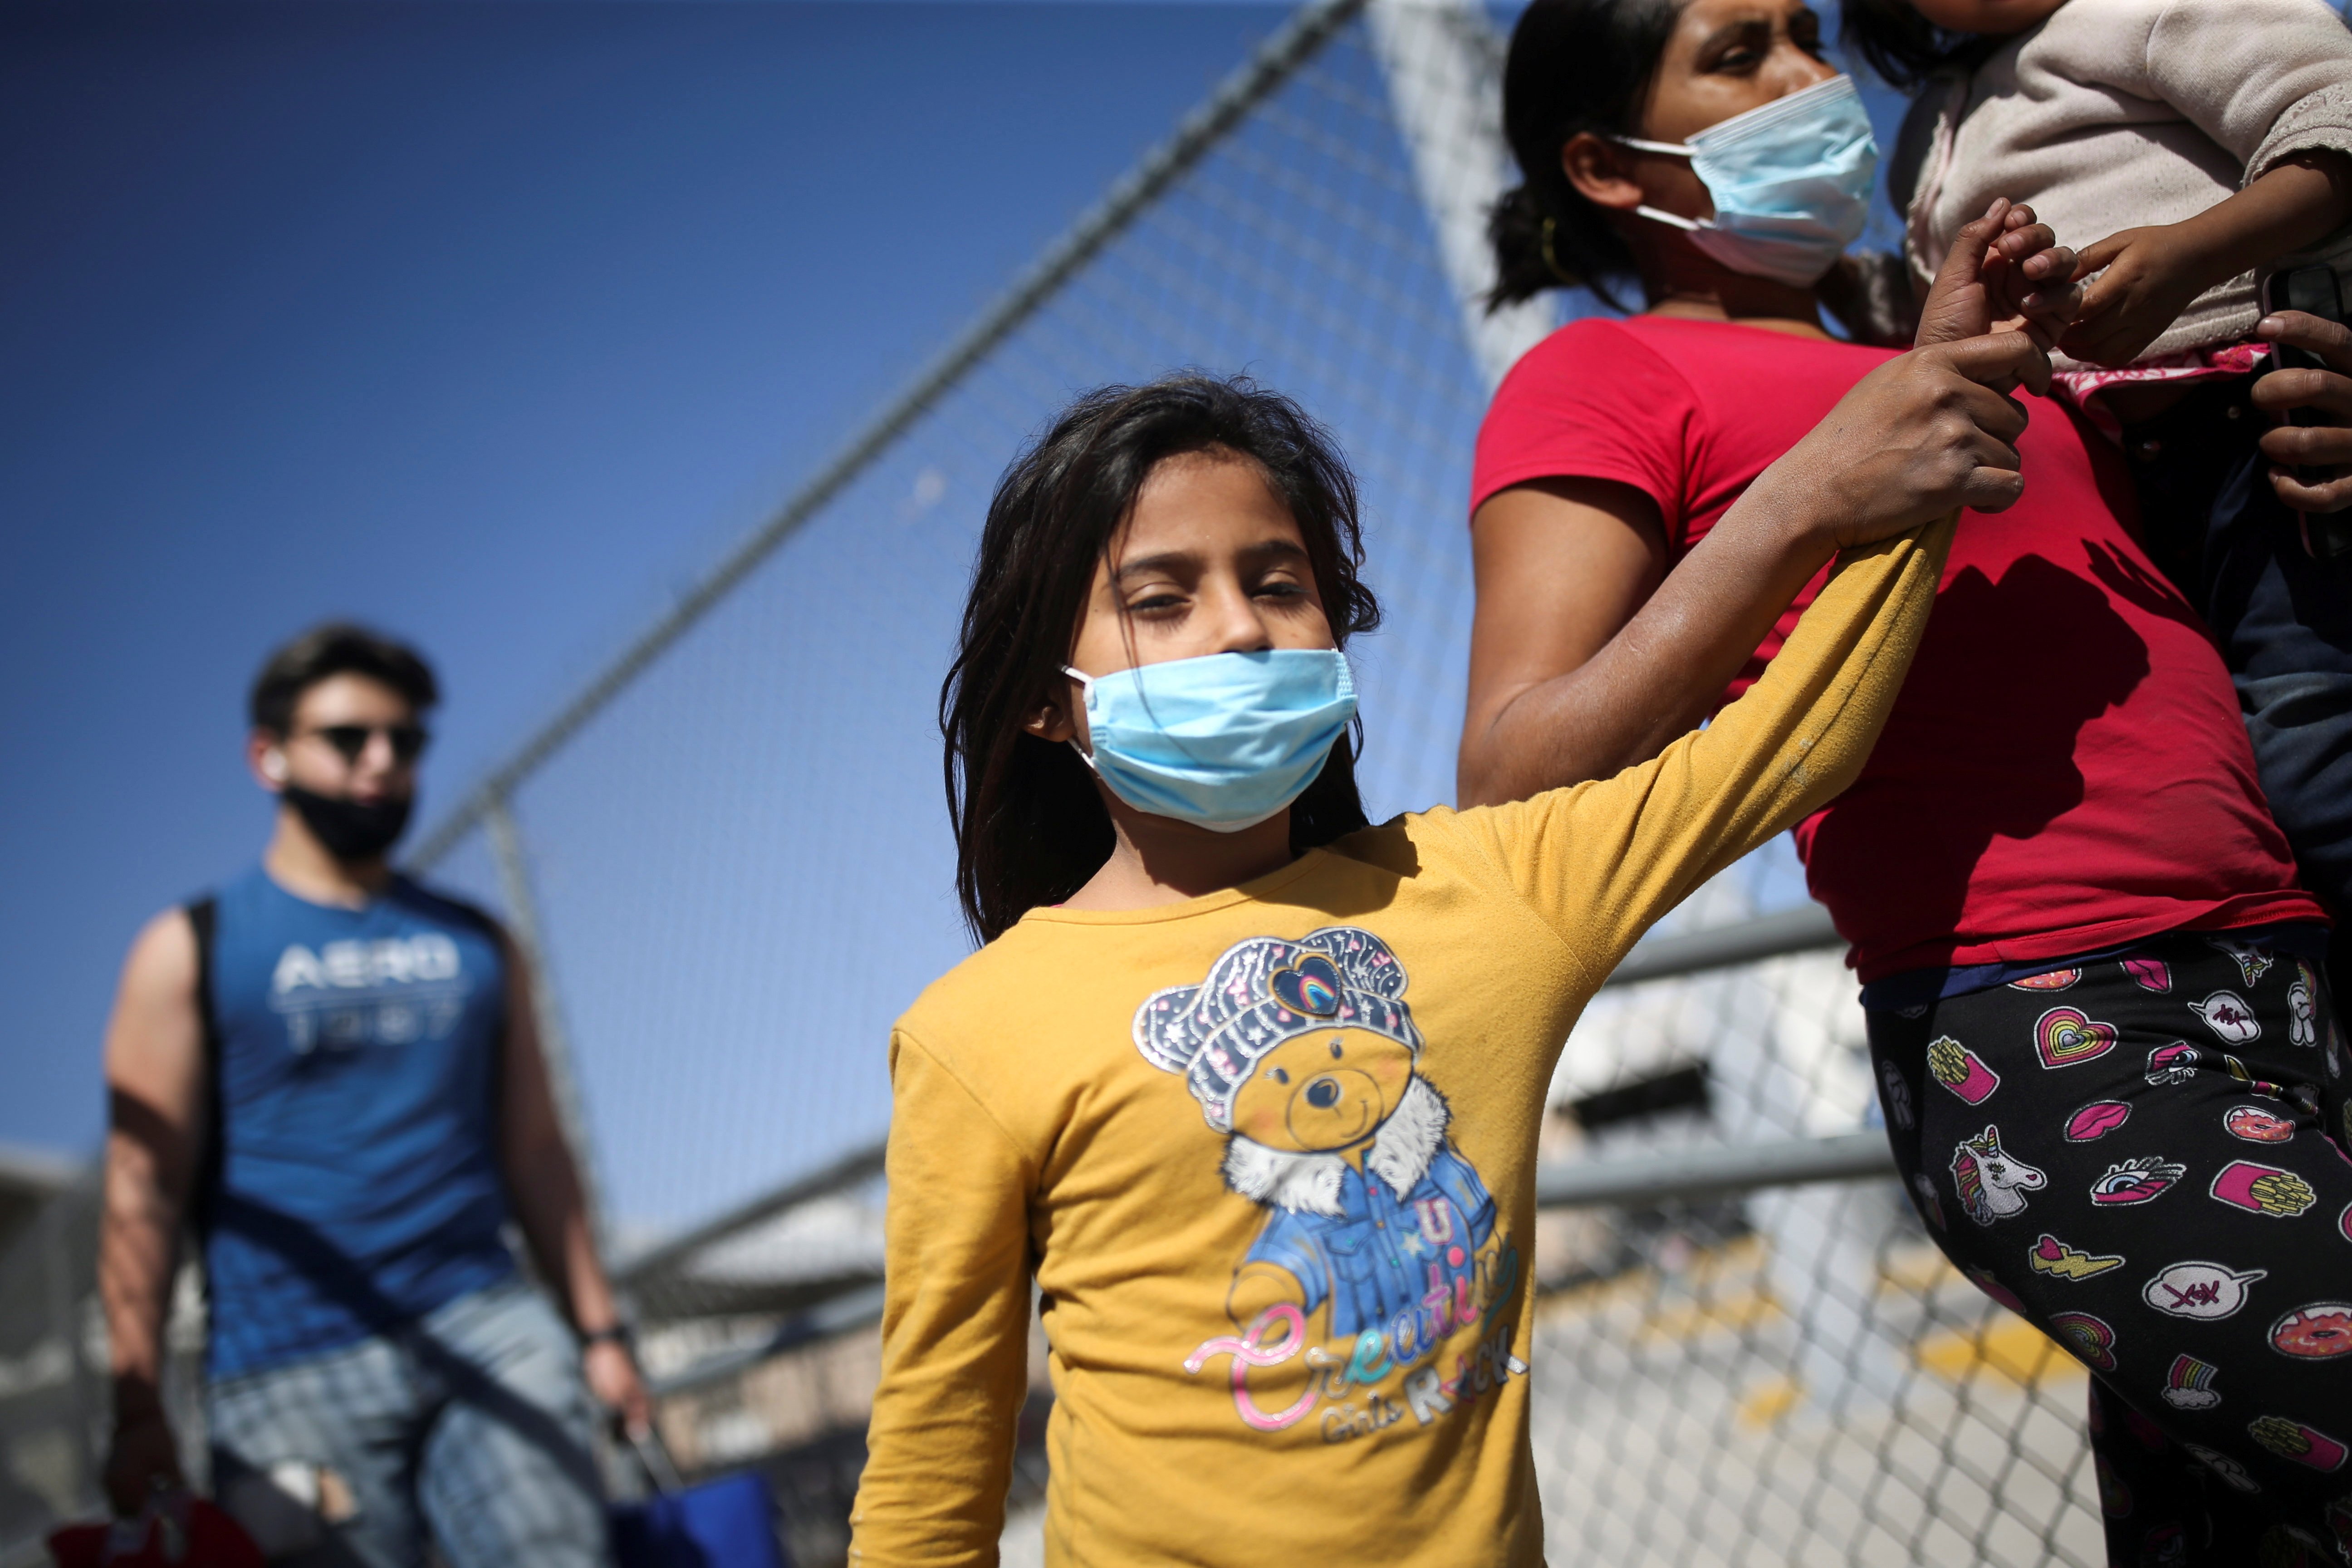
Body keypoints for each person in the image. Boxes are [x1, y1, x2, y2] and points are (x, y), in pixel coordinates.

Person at [847, 193, 2052, 1558]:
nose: (1241, 627)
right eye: (1162, 597)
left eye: (1279, 580)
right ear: (1046, 705)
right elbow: (933, 1467)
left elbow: (1792, 741)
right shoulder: (971, 1039)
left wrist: (1910, 446)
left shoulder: (1484, 887)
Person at [1460, 0, 2352, 1559]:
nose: (1812, 81)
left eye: (1807, 37)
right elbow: (1515, 765)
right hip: (2049, 1030)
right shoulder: (1601, 375)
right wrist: (1803, 497)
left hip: (2293, 960)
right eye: (1738, 55)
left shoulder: (1951, 343)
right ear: (1606, 165)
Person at [98, 625, 649, 1568]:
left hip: (488, 1327)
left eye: (406, 741)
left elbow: (539, 1153)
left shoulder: (481, 943)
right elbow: (141, 1189)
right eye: (350, 739)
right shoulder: (187, 948)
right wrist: (139, 1402)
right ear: (268, 756)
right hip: (286, 1375)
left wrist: (601, 1333)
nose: (383, 762)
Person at [1843, 0, 2352, 1004]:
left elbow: (2330, 120)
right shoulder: (1928, 131)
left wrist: (2195, 251)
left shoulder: (2143, 6)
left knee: (2309, 742)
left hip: (2249, 425)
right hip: (2103, 489)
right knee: (2225, 782)